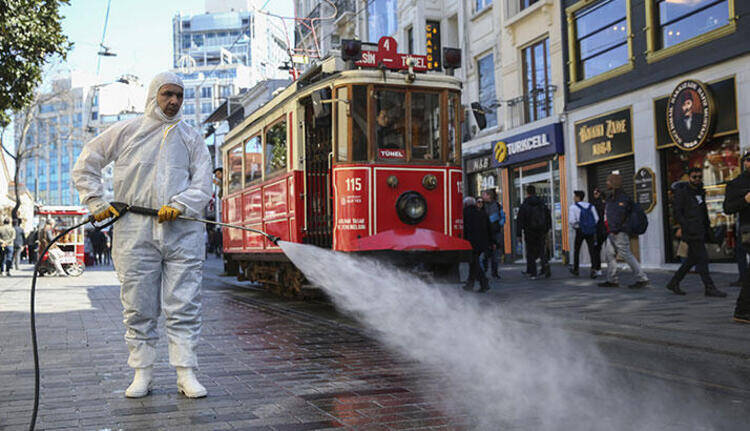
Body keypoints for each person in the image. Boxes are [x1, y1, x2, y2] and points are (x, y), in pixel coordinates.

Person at [72, 71, 212, 398]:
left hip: (183, 231)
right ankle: (142, 373)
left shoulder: (191, 138)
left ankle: (186, 372)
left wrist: (180, 204)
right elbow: (87, 162)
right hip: (134, 230)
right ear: (154, 95)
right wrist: (95, 200)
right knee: (138, 305)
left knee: (185, 303)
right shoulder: (127, 132)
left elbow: (203, 183)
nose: (173, 101)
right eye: (167, 94)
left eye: (178, 95)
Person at [666, 168, 726, 297]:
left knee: (692, 259)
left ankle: (674, 282)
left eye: (699, 177)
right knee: (703, 258)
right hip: (691, 231)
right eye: (694, 177)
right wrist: (685, 226)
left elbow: (703, 212)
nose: (697, 179)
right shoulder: (683, 192)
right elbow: (678, 212)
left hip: (701, 229)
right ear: (689, 178)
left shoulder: (701, 192)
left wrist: (708, 229)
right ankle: (709, 287)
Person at [598, 174, 649, 289]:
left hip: (618, 232)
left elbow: (620, 215)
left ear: (614, 183)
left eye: (608, 181)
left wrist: (615, 229)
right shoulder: (612, 197)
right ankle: (612, 279)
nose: (606, 183)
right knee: (609, 254)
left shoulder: (622, 198)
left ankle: (642, 278)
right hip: (611, 231)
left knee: (626, 254)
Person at [723, 150, 750, 323]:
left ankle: (742, 309)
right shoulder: (736, 184)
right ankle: (741, 310)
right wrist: (746, 201)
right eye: (748, 160)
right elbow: (727, 208)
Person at [516, 185, 551, 279]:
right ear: (535, 192)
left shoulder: (525, 204)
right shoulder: (541, 203)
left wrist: (518, 234)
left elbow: (520, 220)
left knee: (530, 251)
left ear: (527, 193)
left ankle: (533, 273)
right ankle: (545, 266)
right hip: (541, 231)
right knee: (541, 250)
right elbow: (548, 216)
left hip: (529, 231)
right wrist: (547, 229)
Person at [463, 197, 491, 292]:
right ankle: (470, 284)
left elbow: (465, 229)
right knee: (474, 264)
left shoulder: (465, 213)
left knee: (474, 263)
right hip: (481, 243)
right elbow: (488, 229)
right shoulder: (482, 213)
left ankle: (483, 283)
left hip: (471, 242)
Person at [568, 190, 599, 278]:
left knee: (577, 250)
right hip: (590, 230)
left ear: (578, 197)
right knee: (592, 250)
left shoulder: (573, 207)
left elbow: (572, 221)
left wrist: (576, 225)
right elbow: (596, 219)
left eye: (574, 196)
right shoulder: (591, 206)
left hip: (580, 230)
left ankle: (576, 269)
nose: (574, 198)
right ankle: (593, 269)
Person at [481, 190, 505, 279]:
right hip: (486, 233)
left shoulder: (497, 205)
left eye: (484, 195)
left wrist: (500, 224)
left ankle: (494, 272)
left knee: (495, 253)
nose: (482, 197)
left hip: (495, 232)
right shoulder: (482, 205)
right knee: (485, 253)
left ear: (489, 196)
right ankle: (484, 271)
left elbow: (503, 216)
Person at [590, 187, 606, 277]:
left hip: (598, 229)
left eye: (596, 193)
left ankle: (597, 268)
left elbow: (595, 218)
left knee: (596, 249)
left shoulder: (595, 204)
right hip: (606, 229)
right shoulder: (605, 203)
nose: (594, 195)